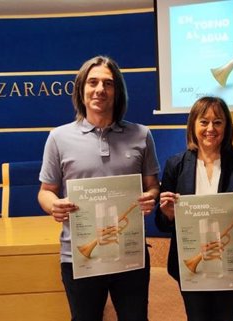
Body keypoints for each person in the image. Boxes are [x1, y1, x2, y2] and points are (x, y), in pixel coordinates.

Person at [38, 55, 160, 321]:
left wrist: (150, 198)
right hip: (78, 256)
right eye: (92, 82)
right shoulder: (58, 137)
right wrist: (53, 205)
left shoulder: (142, 135)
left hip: (130, 253)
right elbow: (46, 190)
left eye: (108, 83)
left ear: (117, 92)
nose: (100, 90)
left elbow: (153, 186)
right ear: (81, 90)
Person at [155, 96, 233, 321]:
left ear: (226, 127)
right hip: (190, 261)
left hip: (230, 261)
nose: (210, 128)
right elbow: (162, 222)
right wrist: (167, 214)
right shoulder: (175, 164)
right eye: (204, 122)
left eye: (218, 122)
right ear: (193, 126)